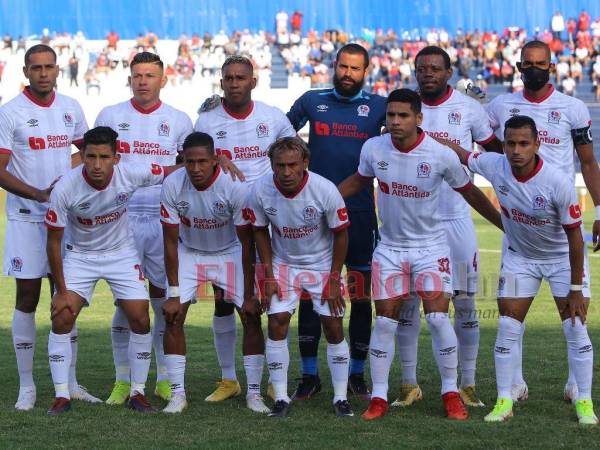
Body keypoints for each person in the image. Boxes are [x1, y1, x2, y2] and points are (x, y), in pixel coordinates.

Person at [338, 88, 503, 421]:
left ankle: (450, 393)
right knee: (385, 322)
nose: (395, 122)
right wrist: (321, 201)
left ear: (418, 118)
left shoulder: (440, 154)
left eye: (403, 116)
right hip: (390, 249)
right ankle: (380, 397)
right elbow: (358, 181)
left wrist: (504, 224)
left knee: (439, 319)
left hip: (431, 247)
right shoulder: (373, 148)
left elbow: (470, 192)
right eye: (391, 116)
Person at [448, 115, 597, 425]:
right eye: (511, 143)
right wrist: (420, 135)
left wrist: (574, 289)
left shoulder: (557, 182)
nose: (516, 150)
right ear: (503, 145)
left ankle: (584, 403)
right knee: (507, 328)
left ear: (537, 145)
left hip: (561, 260)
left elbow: (574, 237)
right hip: (520, 259)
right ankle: (505, 401)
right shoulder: (493, 164)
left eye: (524, 143)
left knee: (575, 327)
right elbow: (461, 154)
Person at [486, 40, 600, 404]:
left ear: (551, 68)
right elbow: (487, 145)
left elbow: (587, 162)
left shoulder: (573, 107)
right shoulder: (500, 106)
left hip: (561, 225)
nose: (534, 68)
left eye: (541, 63)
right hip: (520, 226)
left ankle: (574, 385)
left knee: (574, 312)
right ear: (519, 67)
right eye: (528, 63)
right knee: (508, 312)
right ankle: (515, 384)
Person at [390, 45, 502, 409]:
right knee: (407, 305)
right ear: (415, 71)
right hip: (410, 224)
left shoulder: (469, 108)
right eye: (422, 68)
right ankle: (409, 383)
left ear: (448, 71)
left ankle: (466, 383)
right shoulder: (400, 107)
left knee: (466, 304)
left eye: (435, 68)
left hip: (455, 219)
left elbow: (494, 154)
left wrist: (458, 149)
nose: (428, 74)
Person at [44, 126, 179, 415]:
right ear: (81, 155)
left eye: (104, 157)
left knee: (140, 317)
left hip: (121, 253)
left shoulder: (131, 172)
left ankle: (138, 393)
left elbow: (172, 170)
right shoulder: (65, 188)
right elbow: (53, 243)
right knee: (62, 316)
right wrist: (62, 291)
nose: (96, 164)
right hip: (80, 255)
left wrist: (217, 161)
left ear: (116, 158)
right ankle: (62, 395)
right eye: (90, 156)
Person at [286, 43, 387, 400]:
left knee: (361, 297)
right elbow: (273, 132)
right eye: (343, 66)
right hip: (314, 215)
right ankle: (310, 375)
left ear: (366, 71)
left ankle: (357, 374)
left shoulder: (379, 107)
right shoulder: (312, 101)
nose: (347, 73)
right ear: (334, 65)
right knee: (311, 295)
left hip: (359, 215)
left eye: (355, 69)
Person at [0, 44, 98, 411]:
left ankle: (70, 382)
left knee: (67, 298)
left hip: (66, 221)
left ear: (58, 70)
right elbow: (1, 170)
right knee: (27, 298)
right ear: (25, 72)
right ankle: (27, 386)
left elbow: (86, 152)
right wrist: (40, 194)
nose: (43, 73)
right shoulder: (10, 113)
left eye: (48, 67)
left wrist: (65, 181)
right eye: (35, 68)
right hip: (27, 219)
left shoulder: (71, 107)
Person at [194, 55, 295, 405]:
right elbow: (195, 156)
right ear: (221, 82)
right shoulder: (207, 118)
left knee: (272, 302)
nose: (234, 83)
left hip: (269, 223)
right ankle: (228, 379)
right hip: (226, 224)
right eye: (229, 78)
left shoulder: (273, 117)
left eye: (241, 77)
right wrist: (216, 159)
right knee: (225, 302)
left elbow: (295, 151)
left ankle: (274, 380)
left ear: (253, 81)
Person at [94, 52, 193, 405]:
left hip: (162, 218)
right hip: (121, 218)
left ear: (163, 79)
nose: (143, 81)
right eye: (137, 75)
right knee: (125, 302)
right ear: (130, 77)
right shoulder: (110, 115)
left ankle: (165, 378)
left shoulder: (179, 120)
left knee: (163, 300)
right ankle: (124, 381)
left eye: (150, 75)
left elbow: (187, 169)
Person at [246, 136, 353, 418]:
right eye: (279, 165)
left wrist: (333, 278)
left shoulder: (324, 189)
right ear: (271, 165)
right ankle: (281, 397)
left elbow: (341, 233)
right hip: (284, 263)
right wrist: (268, 272)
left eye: (292, 165)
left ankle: (341, 398)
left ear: (305, 163)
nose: (286, 172)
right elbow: (259, 229)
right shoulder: (260, 189)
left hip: (321, 264)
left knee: (333, 326)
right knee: (277, 322)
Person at [160, 132, 262, 413]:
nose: (195, 169)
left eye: (202, 162)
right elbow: (169, 241)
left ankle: (253, 393)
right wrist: (174, 292)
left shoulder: (234, 186)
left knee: (251, 315)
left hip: (230, 252)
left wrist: (250, 292)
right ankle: (177, 394)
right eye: (189, 162)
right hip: (189, 253)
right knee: (172, 315)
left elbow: (247, 241)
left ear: (216, 160)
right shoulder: (172, 184)